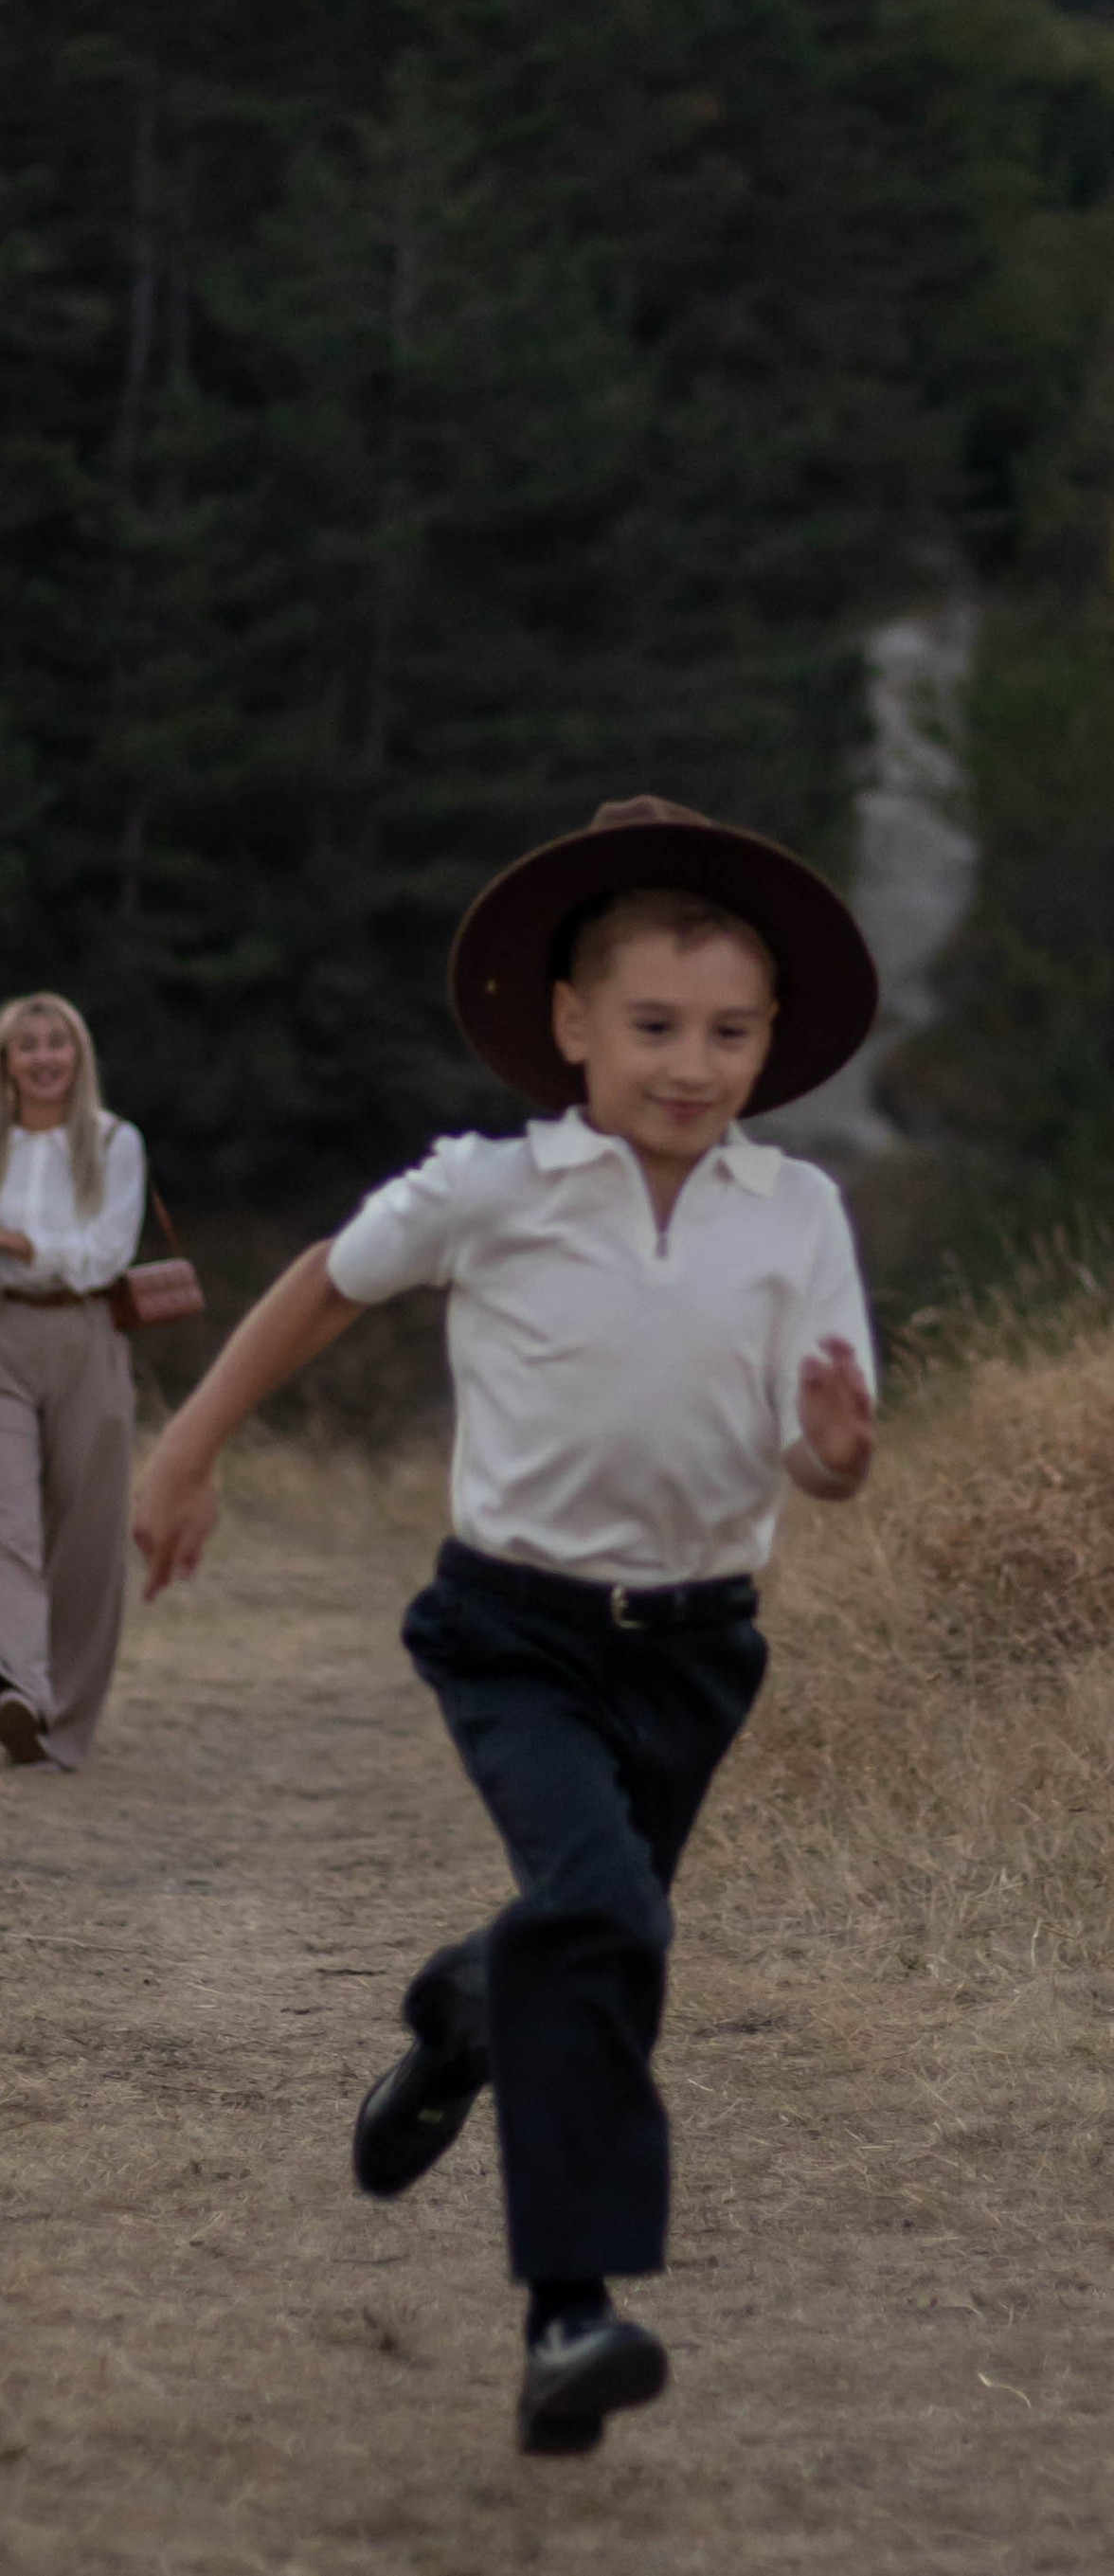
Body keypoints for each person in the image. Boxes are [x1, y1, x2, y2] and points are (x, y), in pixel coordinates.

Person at [132, 797, 880, 2456]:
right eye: (654, 1025)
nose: (691, 1064)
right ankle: (572, 2313)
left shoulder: (796, 1212)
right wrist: (189, 1445)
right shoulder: (491, 1187)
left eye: (730, 1032)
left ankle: (463, 2018)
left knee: (585, 1928)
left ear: (771, 1040)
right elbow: (327, 1278)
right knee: (608, 1921)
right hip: (516, 1633)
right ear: (571, 1023)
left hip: (700, 1649)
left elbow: (821, 1451)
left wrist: (838, 1454)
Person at [0, 992, 148, 1770]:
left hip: (88, 1337)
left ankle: (67, 1726)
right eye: (29, 1044)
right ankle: (16, 1686)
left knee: (89, 1539)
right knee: (9, 1527)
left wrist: (4, 1238)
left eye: (59, 1041)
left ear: (78, 1054)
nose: (45, 1056)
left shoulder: (115, 1141)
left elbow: (104, 1253)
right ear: (5, 1060)